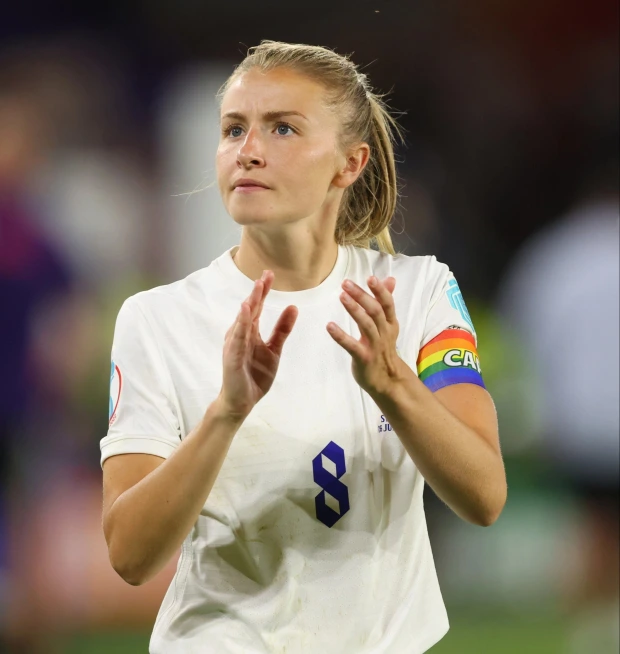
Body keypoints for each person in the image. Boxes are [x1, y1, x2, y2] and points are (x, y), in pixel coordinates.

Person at [100, 41, 507, 654]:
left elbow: (483, 497)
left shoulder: (419, 291)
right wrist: (226, 413)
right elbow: (131, 555)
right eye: (234, 129)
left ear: (349, 163)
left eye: (282, 128)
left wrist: (393, 384)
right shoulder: (158, 320)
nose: (249, 151)